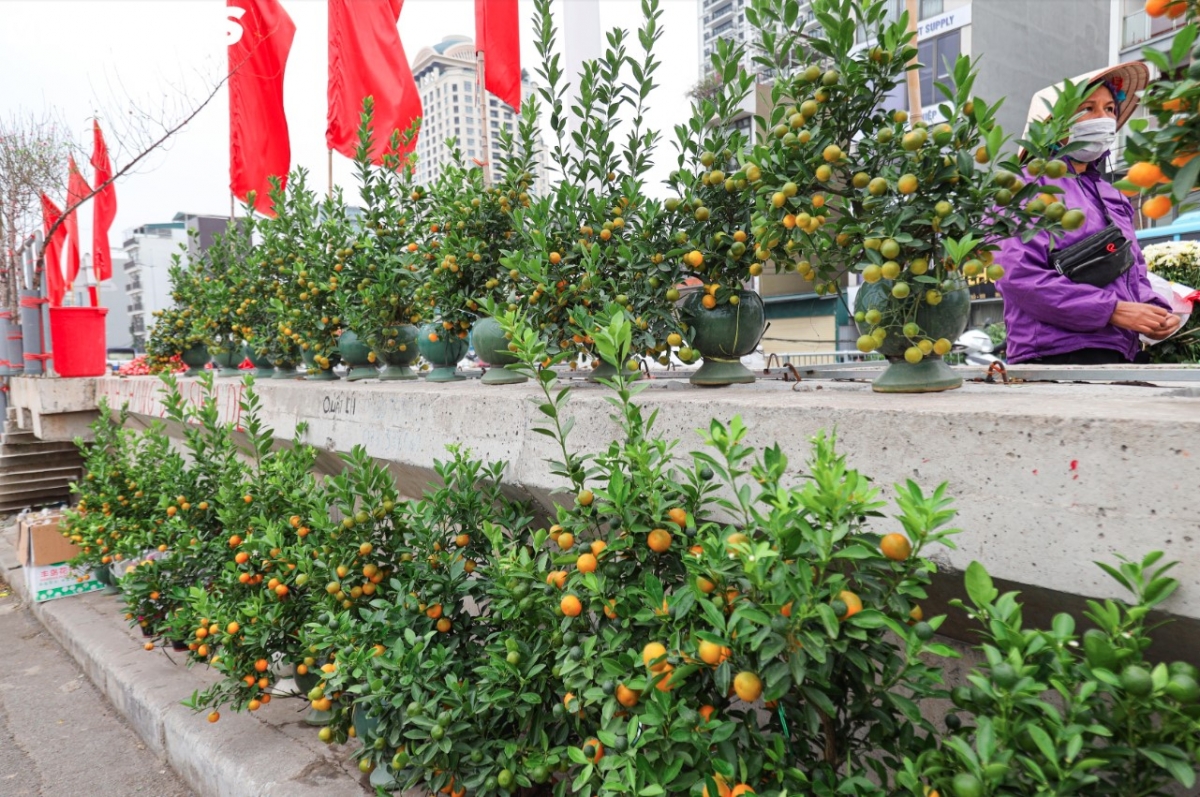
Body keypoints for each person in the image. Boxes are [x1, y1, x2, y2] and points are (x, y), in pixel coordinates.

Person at [996, 63, 1180, 365]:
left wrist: (1153, 309)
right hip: (1051, 355)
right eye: (1088, 109)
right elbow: (1018, 276)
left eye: (1109, 108)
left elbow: (1133, 271)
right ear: (1054, 123)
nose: (1104, 118)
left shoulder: (1112, 195)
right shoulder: (1022, 188)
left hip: (1119, 352)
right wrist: (1113, 310)